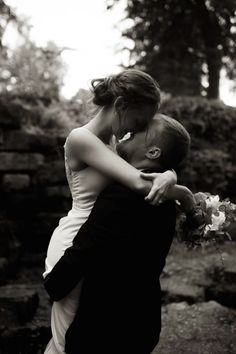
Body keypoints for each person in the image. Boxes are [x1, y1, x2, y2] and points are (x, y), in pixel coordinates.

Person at [43, 70, 178, 354]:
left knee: (82, 333)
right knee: (65, 339)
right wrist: (178, 186)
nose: (136, 132)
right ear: (120, 106)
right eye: (138, 122)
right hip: (74, 242)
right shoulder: (80, 138)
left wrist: (169, 174)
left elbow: (140, 177)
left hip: (96, 243)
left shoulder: (114, 146)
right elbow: (138, 182)